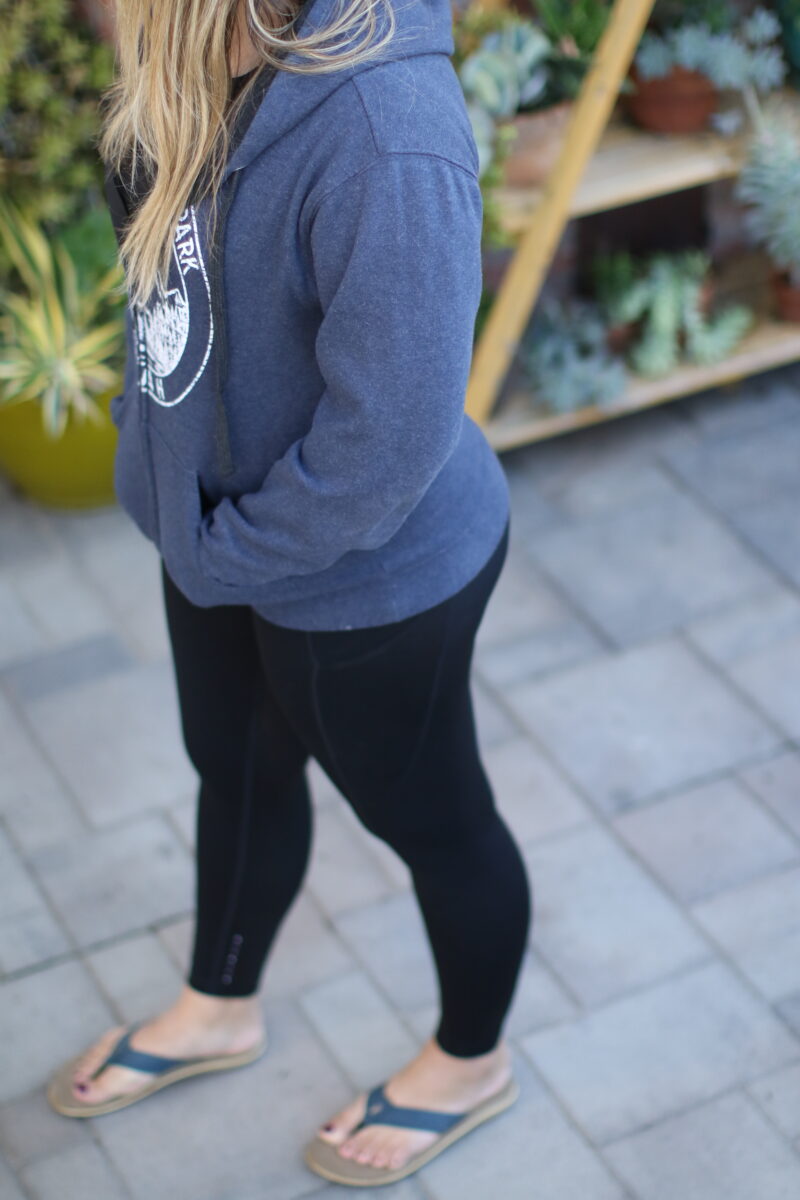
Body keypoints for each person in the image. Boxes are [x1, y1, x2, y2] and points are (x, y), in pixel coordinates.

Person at [46, 0, 532, 1186]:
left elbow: (386, 445)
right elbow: (180, 291)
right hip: (221, 536)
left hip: (373, 584)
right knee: (241, 768)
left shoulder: (384, 133)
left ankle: (470, 1061)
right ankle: (219, 1004)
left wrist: (220, 550)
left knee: (435, 824)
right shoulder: (188, 47)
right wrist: (160, 472)